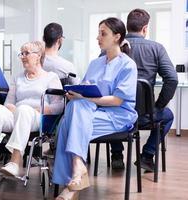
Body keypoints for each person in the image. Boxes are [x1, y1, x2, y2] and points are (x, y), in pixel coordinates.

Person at [52, 17, 138, 200]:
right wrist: (76, 94)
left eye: (103, 33)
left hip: (118, 116)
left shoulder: (128, 65)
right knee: (76, 108)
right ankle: (77, 172)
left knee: (69, 123)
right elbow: (85, 88)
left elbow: (117, 101)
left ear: (117, 36)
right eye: (98, 33)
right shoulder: (95, 64)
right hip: (92, 113)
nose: (98, 37)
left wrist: (85, 98)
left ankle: (72, 184)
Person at [0, 41, 63, 177]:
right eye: (21, 53)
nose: (23, 56)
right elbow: (9, 102)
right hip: (18, 115)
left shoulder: (51, 77)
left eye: (26, 53)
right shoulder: (18, 77)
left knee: (23, 109)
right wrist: (9, 107)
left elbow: (59, 106)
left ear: (38, 56)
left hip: (38, 118)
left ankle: (15, 162)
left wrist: (40, 109)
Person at [110, 8, 178, 171]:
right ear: (145, 28)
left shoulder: (113, 47)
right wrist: (157, 106)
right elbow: (172, 79)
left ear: (126, 27)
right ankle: (147, 156)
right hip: (144, 115)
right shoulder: (156, 48)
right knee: (168, 116)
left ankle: (117, 155)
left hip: (116, 114)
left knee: (111, 108)